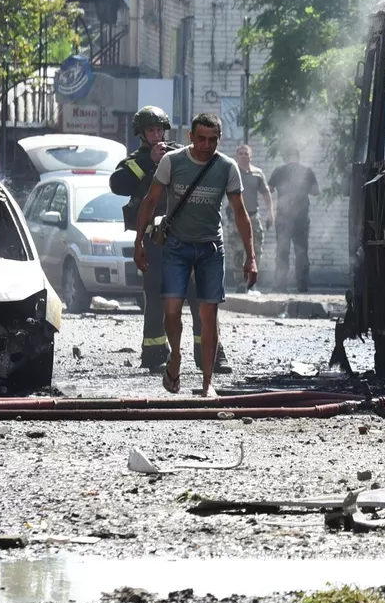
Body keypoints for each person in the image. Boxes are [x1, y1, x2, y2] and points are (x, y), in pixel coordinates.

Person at [132, 112, 258, 397]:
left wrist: (251, 256)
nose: (206, 145)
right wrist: (139, 243)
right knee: (172, 311)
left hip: (210, 248)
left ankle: (207, 383)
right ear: (191, 137)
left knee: (208, 314)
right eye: (201, 138)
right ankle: (174, 357)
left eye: (212, 140)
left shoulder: (226, 167)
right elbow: (150, 201)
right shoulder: (172, 162)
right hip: (176, 247)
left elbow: (240, 213)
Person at [109, 107, 194, 372]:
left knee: (198, 295)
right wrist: (149, 162)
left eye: (160, 130)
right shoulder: (135, 161)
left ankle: (211, 355)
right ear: (141, 134)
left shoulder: (179, 154)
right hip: (153, 242)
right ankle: (155, 353)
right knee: (155, 297)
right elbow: (117, 184)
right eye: (151, 131)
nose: (157, 136)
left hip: (184, 237)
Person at [266, 147, 319, 292]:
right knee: (301, 251)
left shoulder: (279, 171)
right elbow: (316, 192)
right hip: (301, 218)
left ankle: (280, 285)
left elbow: (268, 189)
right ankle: (302, 285)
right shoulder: (307, 171)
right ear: (298, 157)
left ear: (286, 157)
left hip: (283, 217)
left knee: (282, 251)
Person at [229, 143, 273, 292]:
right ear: (236, 156)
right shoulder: (232, 172)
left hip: (254, 217)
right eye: (240, 153)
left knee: (256, 250)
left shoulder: (257, 173)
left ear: (251, 156)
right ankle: (241, 283)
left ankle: (251, 281)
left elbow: (266, 193)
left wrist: (270, 213)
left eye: (246, 153)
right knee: (238, 250)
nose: (243, 156)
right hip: (236, 217)